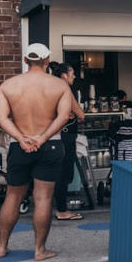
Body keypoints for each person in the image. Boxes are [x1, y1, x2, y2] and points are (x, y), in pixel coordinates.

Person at [0, 44, 72, 261]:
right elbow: (63, 117)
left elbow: (1, 118)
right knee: (43, 198)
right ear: (47, 61)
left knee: (13, 196)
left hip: (21, 146)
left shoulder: (8, 86)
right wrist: (43, 138)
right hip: (50, 145)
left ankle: (1, 247)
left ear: (26, 60)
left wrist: (21, 138)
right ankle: (39, 250)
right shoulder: (60, 85)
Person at [48, 62, 85, 221]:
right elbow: (80, 114)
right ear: (64, 76)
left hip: (53, 136)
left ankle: (54, 206)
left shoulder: (50, 88)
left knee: (56, 173)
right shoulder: (65, 89)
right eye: (72, 74)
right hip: (66, 136)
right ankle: (62, 210)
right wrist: (74, 113)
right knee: (64, 174)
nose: (74, 76)